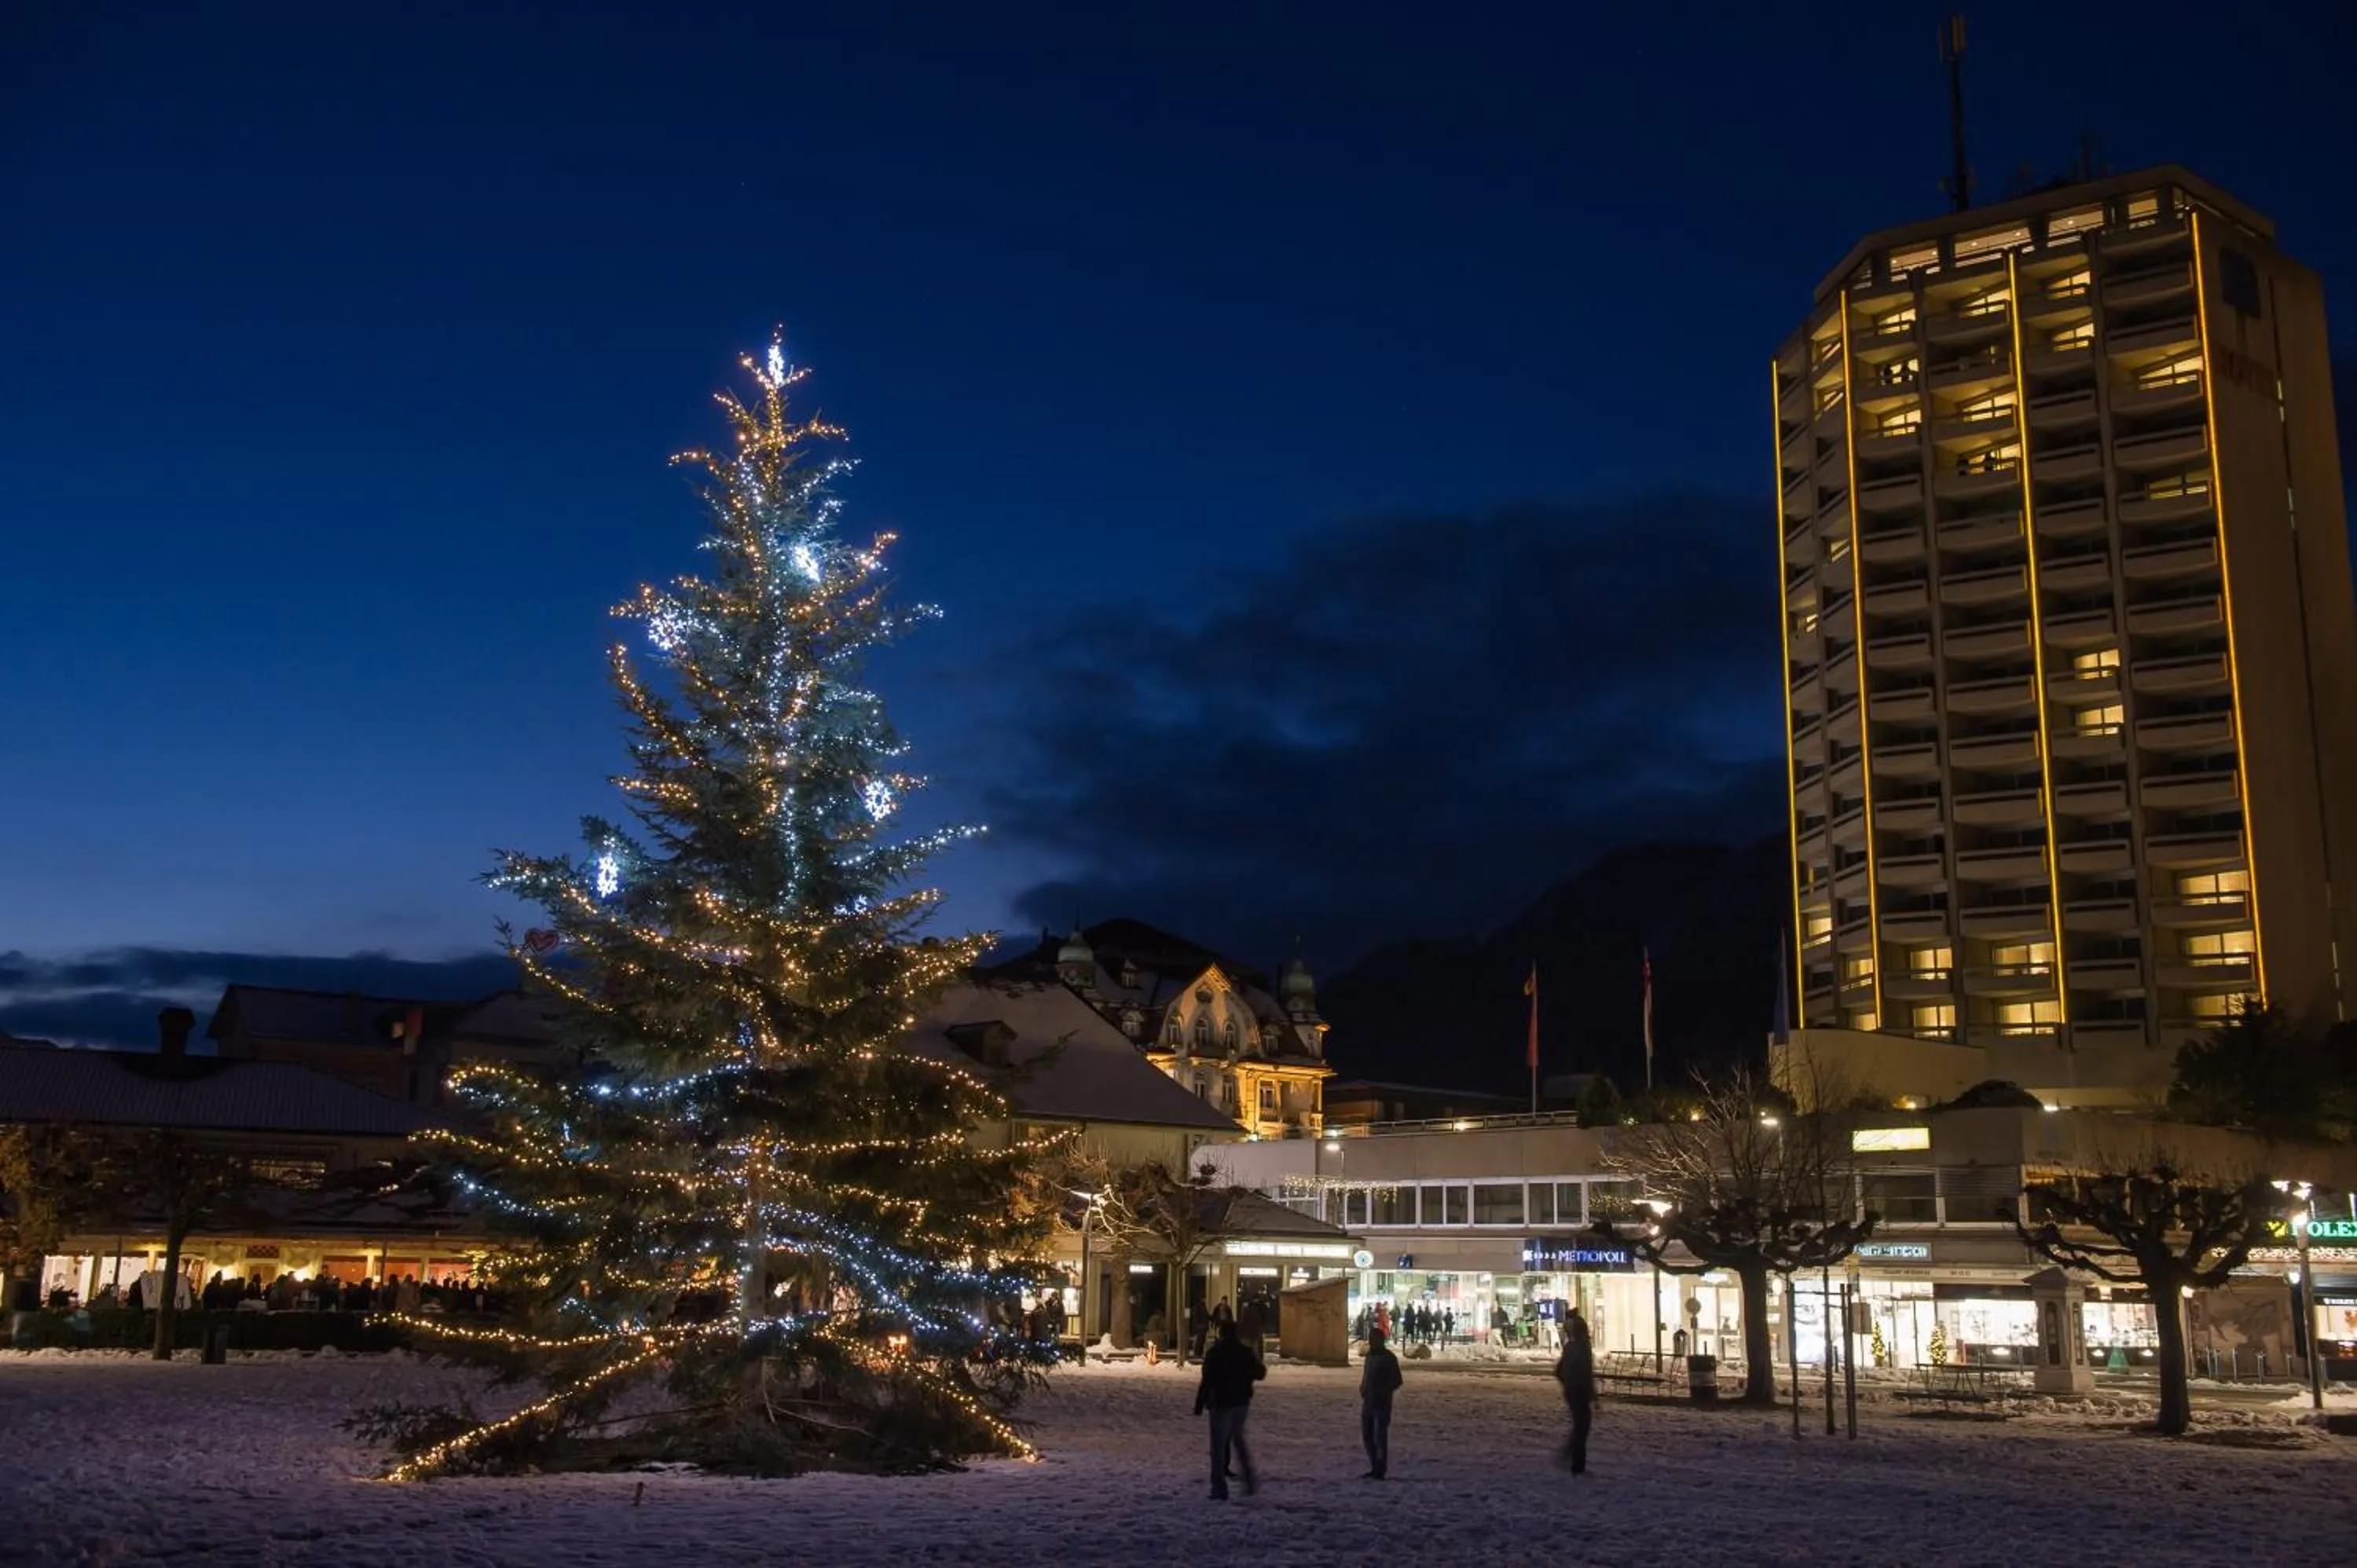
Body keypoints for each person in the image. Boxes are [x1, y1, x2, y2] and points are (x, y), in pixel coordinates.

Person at [1193, 1320, 1264, 1500]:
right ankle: (1248, 1479)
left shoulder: (1215, 1353)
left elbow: (1207, 1380)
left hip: (1221, 1403)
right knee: (1238, 1440)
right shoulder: (1244, 1352)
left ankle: (1219, 1489)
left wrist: (1200, 1403)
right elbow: (1260, 1373)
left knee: (1218, 1447)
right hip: (1241, 1403)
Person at [1554, 1308, 1596, 1475]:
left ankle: (1574, 1459)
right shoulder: (1582, 1348)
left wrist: (1568, 1385)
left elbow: (1559, 1371)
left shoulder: (1572, 1347)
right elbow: (1586, 1373)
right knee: (1582, 1427)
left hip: (1574, 1392)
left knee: (1580, 1426)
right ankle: (1576, 1463)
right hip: (1579, 1392)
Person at [1358, 1328, 1403, 1480]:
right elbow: (1366, 1375)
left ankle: (1381, 1467)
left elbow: (1397, 1380)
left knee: (1379, 1436)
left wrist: (1383, 1390)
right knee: (1368, 1436)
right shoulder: (1370, 1356)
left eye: (1373, 1339)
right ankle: (1374, 1466)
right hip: (1369, 1402)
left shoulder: (1388, 1358)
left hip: (1382, 1404)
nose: (1371, 1342)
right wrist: (1363, 1388)